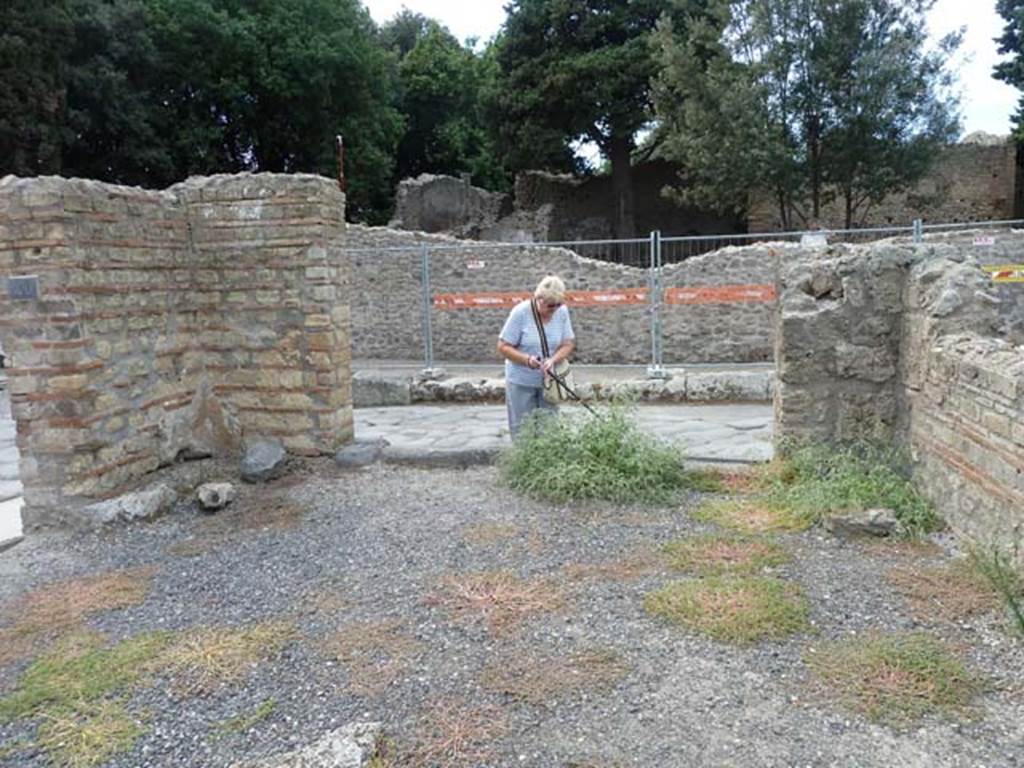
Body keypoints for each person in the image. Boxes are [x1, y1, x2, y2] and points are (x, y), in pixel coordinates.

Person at [497, 275, 576, 435]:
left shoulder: (562, 312)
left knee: (549, 430)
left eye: (558, 304)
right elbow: (503, 346)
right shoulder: (520, 313)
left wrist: (552, 360)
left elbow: (568, 344)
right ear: (538, 299)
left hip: (549, 383)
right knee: (523, 429)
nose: (554, 309)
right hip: (521, 381)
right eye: (550, 305)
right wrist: (527, 360)